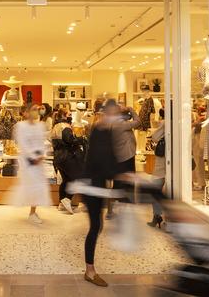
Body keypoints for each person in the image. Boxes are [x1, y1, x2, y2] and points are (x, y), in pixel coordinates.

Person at [81, 99, 123, 287]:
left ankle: (89, 268)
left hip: (97, 185)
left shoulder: (106, 131)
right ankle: (89, 271)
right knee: (95, 226)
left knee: (98, 226)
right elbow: (100, 161)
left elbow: (110, 159)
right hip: (92, 186)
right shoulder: (99, 131)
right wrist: (119, 174)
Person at [12, 104, 52, 224]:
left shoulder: (40, 125)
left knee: (38, 186)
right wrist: (33, 156)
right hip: (28, 162)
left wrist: (42, 154)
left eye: (37, 109)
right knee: (31, 186)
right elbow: (22, 143)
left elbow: (42, 142)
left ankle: (32, 212)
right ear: (26, 112)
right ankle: (32, 213)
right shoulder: (21, 126)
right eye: (34, 109)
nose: (36, 111)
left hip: (38, 161)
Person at [106, 103, 140, 219]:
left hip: (122, 156)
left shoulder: (116, 122)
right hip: (125, 157)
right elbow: (137, 122)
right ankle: (113, 211)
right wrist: (131, 109)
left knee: (120, 184)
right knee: (123, 184)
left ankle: (118, 210)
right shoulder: (120, 124)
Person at [51, 108, 85, 214]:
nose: (71, 116)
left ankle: (61, 204)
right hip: (67, 157)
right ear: (65, 115)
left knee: (66, 180)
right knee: (77, 178)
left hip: (58, 158)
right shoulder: (65, 127)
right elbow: (70, 140)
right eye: (69, 114)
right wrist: (81, 139)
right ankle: (67, 199)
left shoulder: (55, 126)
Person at [148, 108, 166, 228]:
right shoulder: (180, 122)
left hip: (163, 161)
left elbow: (154, 136)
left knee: (155, 189)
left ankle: (157, 216)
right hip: (173, 162)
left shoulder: (165, 123)